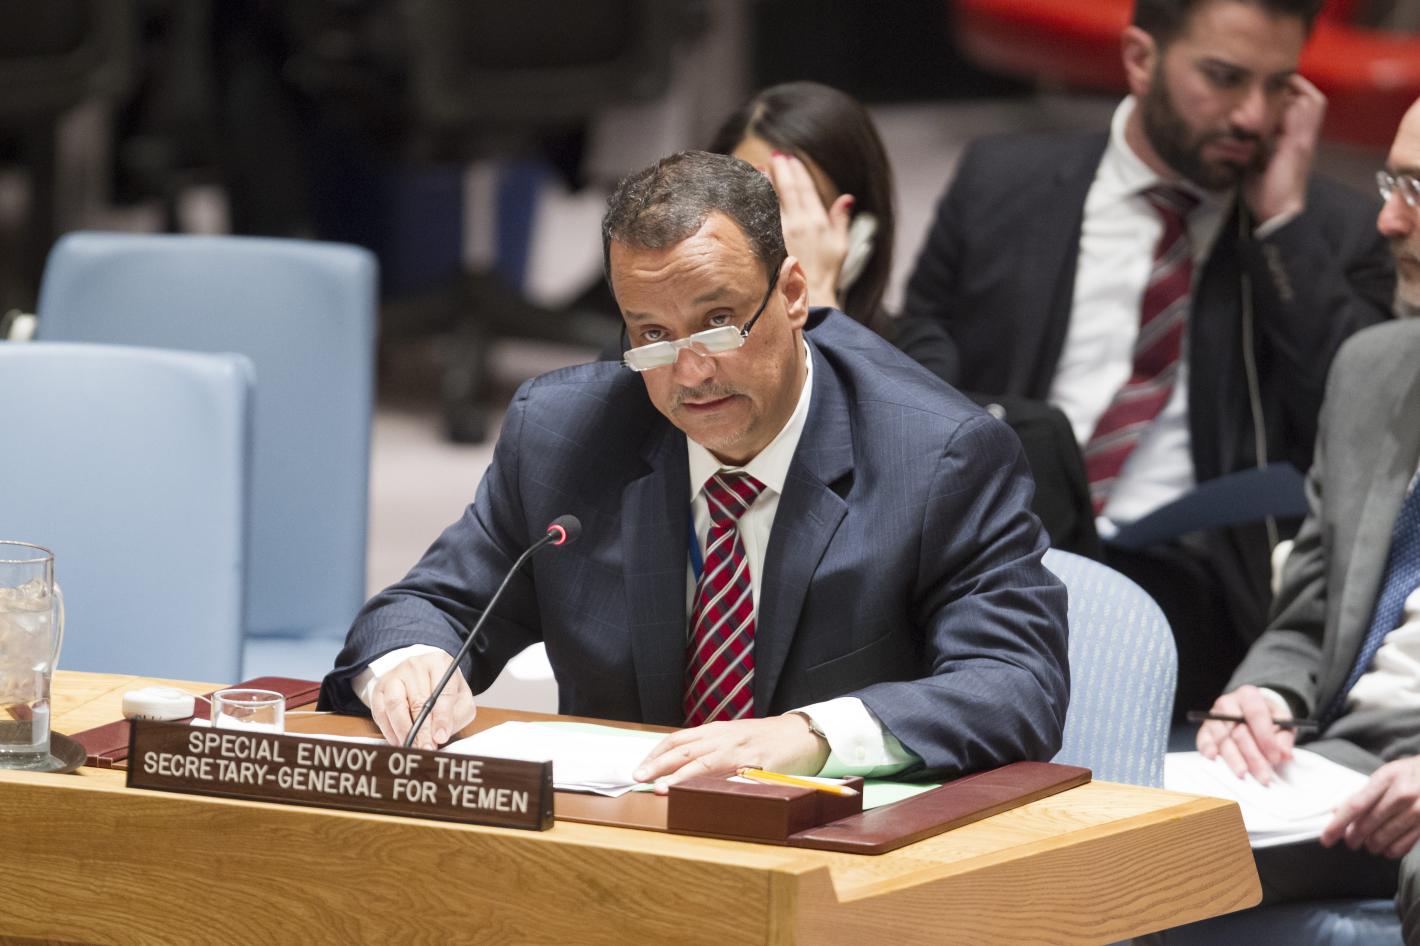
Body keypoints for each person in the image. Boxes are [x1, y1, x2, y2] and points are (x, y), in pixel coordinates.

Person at [319, 150, 1070, 787]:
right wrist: (414, 665)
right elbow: (426, 607)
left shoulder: (938, 454)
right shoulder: (565, 434)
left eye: (718, 322)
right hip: (617, 848)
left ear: (794, 295)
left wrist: (809, 735)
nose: (691, 371)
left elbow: (1016, 683)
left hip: (833, 860)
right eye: (652, 334)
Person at [897, 0, 1396, 715]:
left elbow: (1362, 427)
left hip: (1194, 576)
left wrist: (1281, 228)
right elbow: (916, 374)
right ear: (1139, 59)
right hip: (1006, 538)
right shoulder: (1000, 182)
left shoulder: (1329, 234)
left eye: (1278, 87)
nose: (1254, 117)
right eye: (1224, 78)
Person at [1189, 97, 1420, 937]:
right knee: (1104, 841)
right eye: (1392, 183)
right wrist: (1266, 690)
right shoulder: (1374, 370)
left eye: (1419, 192)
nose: (1387, 220)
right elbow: (1311, 611)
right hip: (1341, 763)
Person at [712, 81, 1100, 556]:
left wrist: (815, 307)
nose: (773, 242)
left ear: (860, 234)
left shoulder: (918, 358)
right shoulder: (676, 351)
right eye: (751, 214)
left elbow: (870, 509)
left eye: (801, 216)